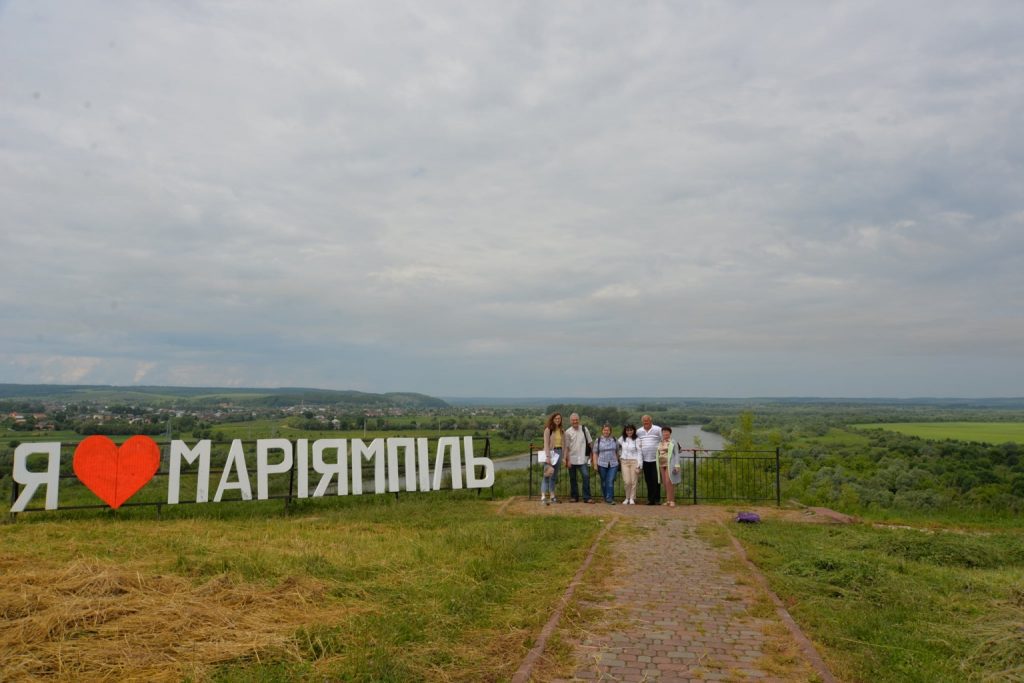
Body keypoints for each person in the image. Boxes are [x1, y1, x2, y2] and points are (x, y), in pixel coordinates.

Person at [565, 412, 594, 503]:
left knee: (586, 476)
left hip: (582, 459)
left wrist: (592, 456)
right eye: (573, 420)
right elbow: (567, 447)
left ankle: (587, 497)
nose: (575, 421)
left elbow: (590, 443)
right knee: (573, 479)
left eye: (576, 420)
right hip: (572, 459)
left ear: (579, 420)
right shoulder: (567, 432)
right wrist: (567, 460)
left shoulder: (584, 429)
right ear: (570, 421)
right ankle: (574, 497)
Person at [636, 414, 662, 505]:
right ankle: (650, 499)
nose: (646, 422)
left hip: (656, 459)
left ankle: (657, 499)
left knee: (656, 479)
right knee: (648, 480)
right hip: (645, 460)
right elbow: (635, 442)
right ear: (642, 422)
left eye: (647, 421)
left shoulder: (658, 429)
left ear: (651, 421)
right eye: (644, 421)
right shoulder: (639, 431)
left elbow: (664, 439)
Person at [657, 426, 683, 507]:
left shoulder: (673, 442)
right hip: (661, 464)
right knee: (665, 483)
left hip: (670, 464)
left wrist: (677, 465)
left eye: (667, 432)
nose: (665, 433)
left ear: (670, 433)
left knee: (670, 482)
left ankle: (672, 500)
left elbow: (677, 454)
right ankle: (668, 500)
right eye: (664, 432)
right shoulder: (660, 442)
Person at [541, 412, 564, 505]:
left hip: (559, 453)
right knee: (547, 474)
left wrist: (564, 456)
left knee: (554, 476)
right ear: (552, 419)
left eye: (559, 418)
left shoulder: (562, 430)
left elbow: (564, 444)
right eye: (556, 418)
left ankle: (552, 495)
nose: (557, 420)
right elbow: (546, 444)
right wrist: (547, 456)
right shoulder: (548, 430)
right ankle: (543, 496)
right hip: (550, 453)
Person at [617, 423, 643, 504]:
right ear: (625, 431)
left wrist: (639, 465)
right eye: (627, 430)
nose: (629, 432)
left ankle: (632, 498)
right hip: (624, 462)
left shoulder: (637, 440)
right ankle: (627, 497)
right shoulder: (622, 439)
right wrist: (619, 455)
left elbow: (639, 452)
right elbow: (616, 446)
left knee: (633, 481)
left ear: (634, 431)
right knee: (627, 481)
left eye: (631, 430)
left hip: (634, 462)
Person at [594, 424, 619, 504]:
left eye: (608, 430)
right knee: (604, 482)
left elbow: (617, 451)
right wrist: (595, 464)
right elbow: (595, 453)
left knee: (610, 480)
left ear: (610, 431)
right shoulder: (598, 440)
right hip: (602, 464)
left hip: (613, 464)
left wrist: (617, 461)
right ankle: (606, 497)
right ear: (602, 431)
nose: (606, 432)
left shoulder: (614, 439)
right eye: (605, 430)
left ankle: (609, 498)